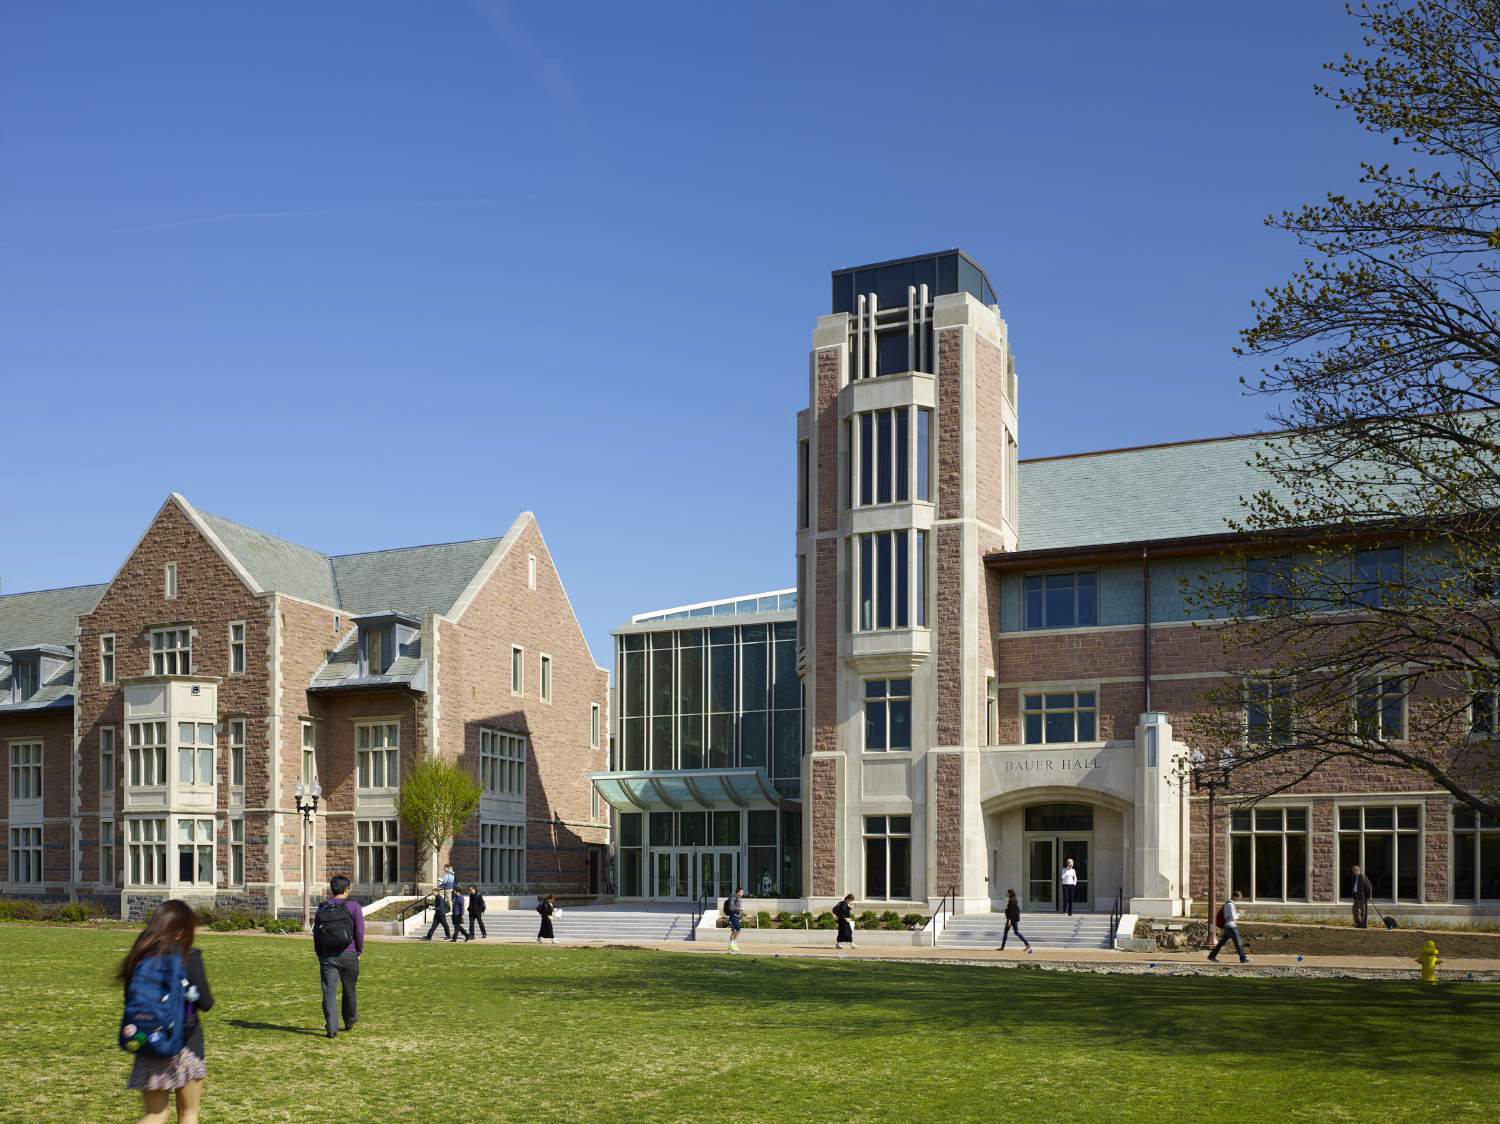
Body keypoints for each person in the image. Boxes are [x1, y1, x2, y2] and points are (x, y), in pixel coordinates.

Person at [118, 899, 214, 1123]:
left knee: (155, 1114)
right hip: (185, 1043)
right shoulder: (187, 956)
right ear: (181, 930)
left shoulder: (140, 956)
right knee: (188, 1113)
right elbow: (206, 1002)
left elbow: (129, 999)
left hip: (148, 1041)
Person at [313, 875, 364, 1039]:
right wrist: (359, 950)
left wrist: (319, 953)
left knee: (329, 992)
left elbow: (316, 934)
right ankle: (349, 1020)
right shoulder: (353, 906)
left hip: (328, 956)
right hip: (349, 954)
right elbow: (359, 931)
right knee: (349, 989)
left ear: (332, 889)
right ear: (346, 889)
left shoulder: (322, 907)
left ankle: (331, 1027)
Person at [1208, 891, 1249, 963]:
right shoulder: (1230, 905)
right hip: (1231, 926)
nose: (1239, 900)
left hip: (1227, 926)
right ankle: (1243, 958)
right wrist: (1240, 913)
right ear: (1235, 897)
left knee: (1221, 943)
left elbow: (1227, 916)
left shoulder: (1227, 904)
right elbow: (1232, 917)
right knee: (1238, 943)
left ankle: (1212, 956)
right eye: (1239, 898)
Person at [1000, 889, 1034, 954]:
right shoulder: (1014, 899)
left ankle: (1002, 947)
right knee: (1016, 932)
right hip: (1014, 919)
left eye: (1008, 893)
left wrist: (1009, 920)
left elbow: (1011, 911)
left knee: (1007, 933)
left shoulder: (1012, 901)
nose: (1007, 894)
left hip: (1011, 919)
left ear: (1010, 894)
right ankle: (1027, 944)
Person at [725, 886, 745, 953]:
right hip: (733, 916)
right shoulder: (733, 897)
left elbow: (736, 907)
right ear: (738, 892)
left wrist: (740, 914)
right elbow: (731, 907)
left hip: (736, 916)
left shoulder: (738, 898)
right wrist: (739, 909)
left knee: (734, 931)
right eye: (741, 892)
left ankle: (731, 946)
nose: (743, 893)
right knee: (737, 930)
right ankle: (733, 945)